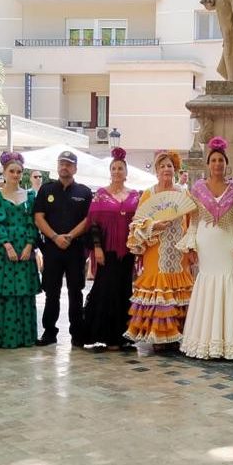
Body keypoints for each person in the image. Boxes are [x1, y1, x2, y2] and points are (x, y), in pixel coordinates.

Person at [178, 137, 233, 359]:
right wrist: (191, 245)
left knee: (226, 280)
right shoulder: (198, 188)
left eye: (221, 160)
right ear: (208, 164)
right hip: (205, 241)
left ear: (225, 163)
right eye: (213, 160)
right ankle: (202, 341)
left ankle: (226, 343)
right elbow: (193, 220)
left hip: (227, 243)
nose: (217, 164)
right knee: (206, 281)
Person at [125, 151, 195, 352]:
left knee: (177, 293)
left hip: (179, 254)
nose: (166, 169)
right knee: (159, 292)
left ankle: (175, 336)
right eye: (162, 166)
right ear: (156, 171)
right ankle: (159, 336)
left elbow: (191, 224)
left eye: (169, 166)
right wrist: (154, 225)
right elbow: (137, 224)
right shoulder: (149, 194)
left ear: (175, 169)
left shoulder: (184, 193)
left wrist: (191, 249)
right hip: (155, 253)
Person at [33, 150, 93, 347]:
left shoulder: (84, 192)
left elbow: (88, 220)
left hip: (75, 249)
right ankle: (49, 332)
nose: (64, 167)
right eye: (61, 163)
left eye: (68, 164)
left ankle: (78, 334)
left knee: (76, 291)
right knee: (52, 292)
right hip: (52, 249)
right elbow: (38, 217)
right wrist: (55, 237)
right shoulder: (46, 190)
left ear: (75, 168)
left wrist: (69, 236)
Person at [83, 147, 140, 352]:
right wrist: (97, 248)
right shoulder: (100, 194)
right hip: (106, 252)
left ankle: (122, 335)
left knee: (124, 290)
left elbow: (141, 223)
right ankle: (104, 334)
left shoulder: (135, 196)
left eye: (120, 168)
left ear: (126, 173)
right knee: (105, 290)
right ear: (110, 171)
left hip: (128, 253)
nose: (117, 172)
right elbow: (94, 224)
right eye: (114, 168)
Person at [0, 152, 40, 349]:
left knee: (24, 293)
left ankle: (25, 338)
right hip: (4, 252)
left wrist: (29, 245)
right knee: (5, 294)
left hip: (25, 251)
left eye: (19, 171)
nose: (15, 174)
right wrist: (6, 245)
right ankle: (3, 337)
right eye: (12, 171)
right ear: (4, 172)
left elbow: (33, 223)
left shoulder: (30, 196)